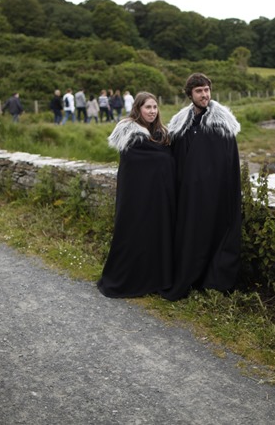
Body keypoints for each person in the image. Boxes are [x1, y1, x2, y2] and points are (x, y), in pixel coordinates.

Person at [161, 73, 242, 301]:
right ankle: (189, 278)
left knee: (213, 236)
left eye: (207, 90)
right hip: (187, 196)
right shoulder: (180, 123)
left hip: (213, 197)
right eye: (199, 91)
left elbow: (227, 166)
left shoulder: (221, 125)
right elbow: (172, 157)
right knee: (188, 237)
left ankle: (212, 282)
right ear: (190, 95)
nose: (204, 95)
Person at [98, 92, 175, 298]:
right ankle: (129, 280)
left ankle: (154, 279)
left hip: (157, 199)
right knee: (134, 235)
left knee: (156, 236)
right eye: (147, 107)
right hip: (136, 199)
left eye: (155, 107)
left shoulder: (162, 134)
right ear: (138, 109)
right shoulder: (130, 135)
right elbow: (138, 166)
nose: (152, 111)